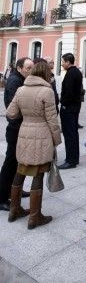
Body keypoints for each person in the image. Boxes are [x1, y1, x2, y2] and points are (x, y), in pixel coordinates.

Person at [6, 61, 61, 228]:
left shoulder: (21, 89)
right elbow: (52, 119)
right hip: (42, 134)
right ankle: (35, 217)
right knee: (38, 172)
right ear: (46, 74)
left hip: (24, 133)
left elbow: (10, 113)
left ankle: (14, 210)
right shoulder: (47, 91)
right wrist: (56, 140)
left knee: (21, 169)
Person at [0, 57, 34, 211]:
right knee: (10, 163)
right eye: (28, 67)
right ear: (20, 68)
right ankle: (1, 197)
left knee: (17, 163)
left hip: (19, 128)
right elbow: (13, 108)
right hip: (15, 129)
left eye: (32, 67)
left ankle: (15, 190)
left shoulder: (20, 79)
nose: (31, 70)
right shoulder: (15, 81)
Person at [58, 53, 83, 170]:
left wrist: (63, 104)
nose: (62, 64)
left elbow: (68, 93)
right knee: (73, 134)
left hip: (69, 108)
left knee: (69, 135)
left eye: (63, 61)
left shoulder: (71, 73)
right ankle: (73, 158)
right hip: (74, 107)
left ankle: (71, 160)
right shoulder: (76, 72)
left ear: (68, 62)